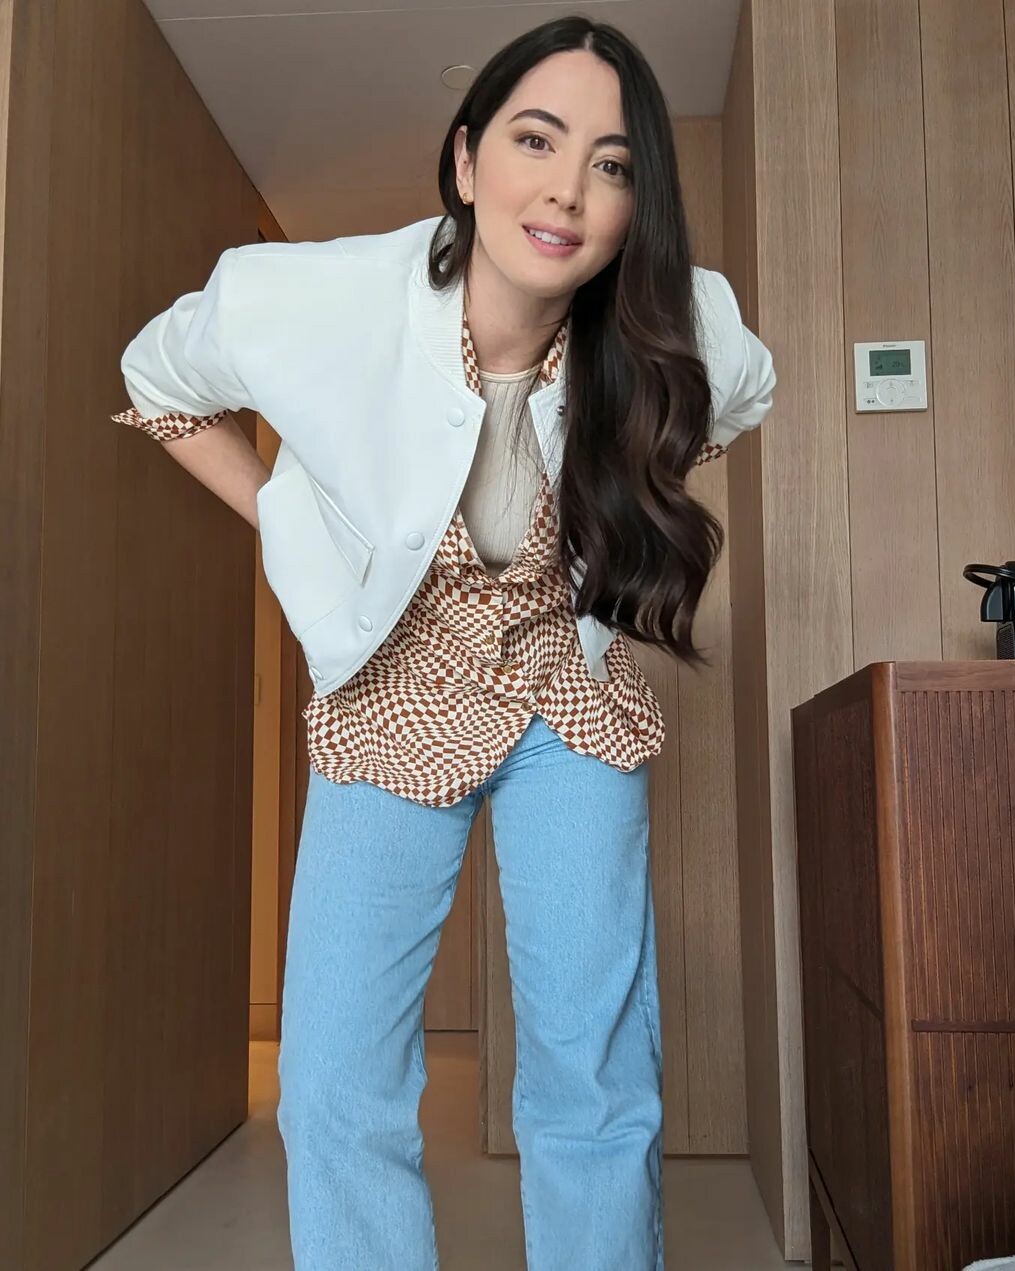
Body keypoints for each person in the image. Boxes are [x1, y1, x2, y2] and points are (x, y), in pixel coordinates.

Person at [110, 15, 776, 1270]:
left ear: (635, 206)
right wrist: (296, 520)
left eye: (613, 164)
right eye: (536, 140)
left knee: (594, 1069)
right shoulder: (315, 301)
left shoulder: (675, 322)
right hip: (394, 687)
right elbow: (157, 378)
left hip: (564, 689)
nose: (567, 189)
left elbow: (742, 390)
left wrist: (629, 484)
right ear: (468, 161)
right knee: (334, 1079)